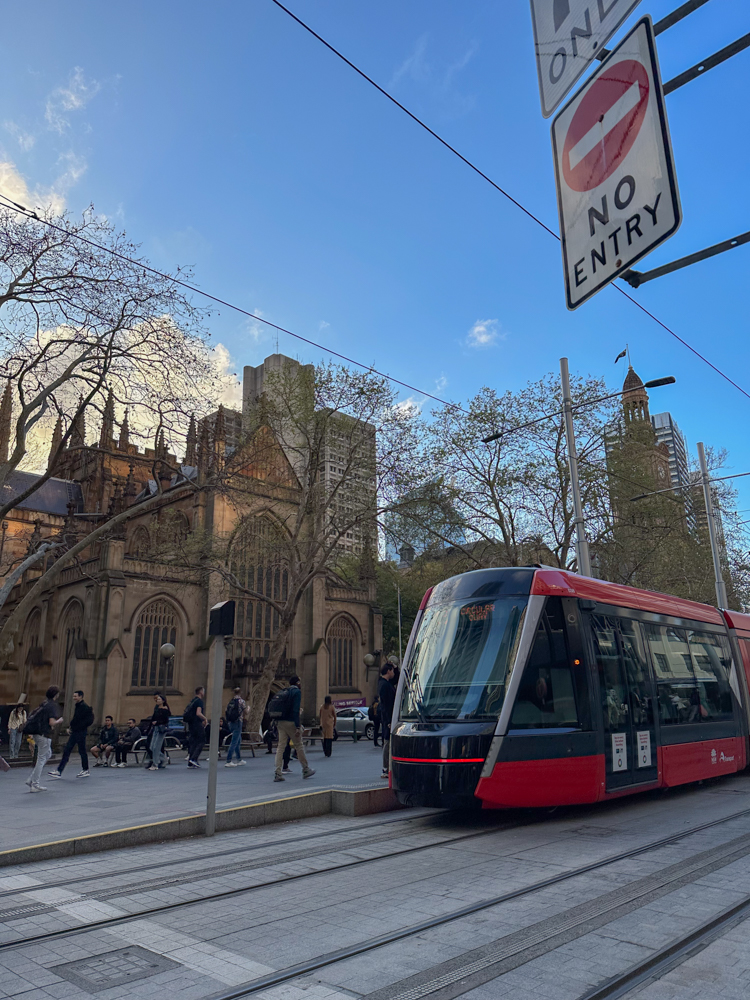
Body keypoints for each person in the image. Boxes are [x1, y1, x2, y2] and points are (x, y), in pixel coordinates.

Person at [273, 675, 315, 782]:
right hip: (291, 722)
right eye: (300, 682)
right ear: (297, 683)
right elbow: (296, 710)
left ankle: (278, 772)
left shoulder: (285, 691)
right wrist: (297, 726)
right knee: (298, 745)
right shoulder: (296, 692)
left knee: (281, 747)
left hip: (280, 722)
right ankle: (305, 769)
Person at [24, 686, 63, 792]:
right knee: (41, 759)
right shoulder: (51, 706)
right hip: (44, 734)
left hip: (38, 733)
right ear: (56, 695)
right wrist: (59, 721)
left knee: (47, 754)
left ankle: (31, 779)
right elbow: (51, 722)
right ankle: (34, 784)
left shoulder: (44, 704)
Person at [48, 690, 94, 779]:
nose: (74, 698)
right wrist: (71, 727)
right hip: (77, 731)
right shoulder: (79, 706)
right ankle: (84, 769)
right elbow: (76, 719)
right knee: (78, 751)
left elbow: (88, 720)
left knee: (72, 750)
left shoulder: (84, 707)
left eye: (75, 696)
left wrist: (78, 727)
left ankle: (60, 770)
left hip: (79, 732)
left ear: (81, 696)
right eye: (73, 696)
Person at [378, 663, 396, 779]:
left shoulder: (385, 683)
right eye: (393, 670)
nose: (394, 673)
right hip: (388, 719)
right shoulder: (384, 685)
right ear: (388, 671)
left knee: (389, 742)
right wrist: (388, 720)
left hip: (389, 717)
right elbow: (385, 705)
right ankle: (385, 768)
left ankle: (388, 767)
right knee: (387, 742)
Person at [145, 693, 170, 770]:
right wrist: (149, 728)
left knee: (156, 747)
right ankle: (164, 758)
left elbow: (165, 720)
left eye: (159, 699)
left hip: (161, 729)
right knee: (152, 747)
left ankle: (155, 764)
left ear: (163, 701)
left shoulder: (165, 709)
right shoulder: (156, 708)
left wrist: (157, 722)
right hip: (155, 728)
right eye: (157, 699)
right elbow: (153, 718)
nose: (157, 700)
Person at [184, 686, 207, 768]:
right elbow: (198, 713)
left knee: (193, 742)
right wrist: (205, 718)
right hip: (197, 723)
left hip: (191, 724)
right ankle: (194, 758)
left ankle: (190, 761)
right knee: (201, 740)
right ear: (201, 692)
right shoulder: (199, 701)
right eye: (203, 691)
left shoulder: (192, 701)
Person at [225, 687, 246, 767]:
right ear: (241, 692)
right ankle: (228, 760)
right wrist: (248, 709)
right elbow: (245, 712)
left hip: (231, 722)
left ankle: (239, 759)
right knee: (234, 741)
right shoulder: (241, 701)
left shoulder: (231, 701)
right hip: (238, 722)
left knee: (238, 740)